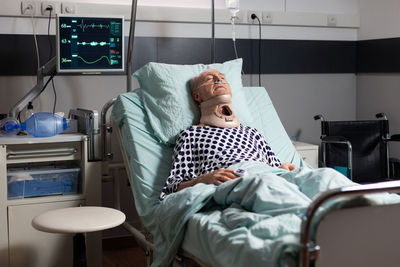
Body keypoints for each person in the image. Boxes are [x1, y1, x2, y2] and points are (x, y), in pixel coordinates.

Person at [160, 69, 296, 200]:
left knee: (315, 177)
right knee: (264, 187)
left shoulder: (252, 132)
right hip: (236, 179)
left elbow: (276, 168)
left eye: (222, 78)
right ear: (197, 96)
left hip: (269, 175)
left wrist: (284, 168)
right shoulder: (191, 134)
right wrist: (203, 180)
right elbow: (172, 188)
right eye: (209, 79)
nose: (218, 80)